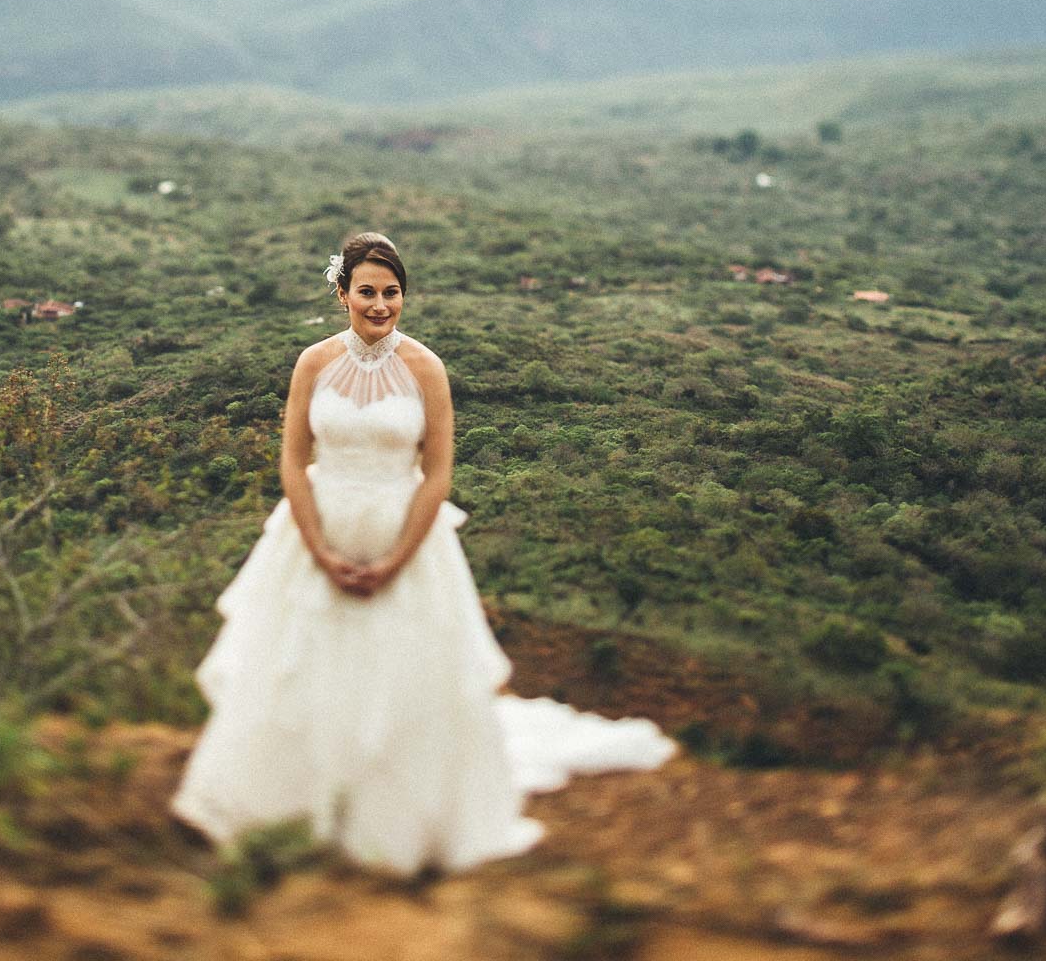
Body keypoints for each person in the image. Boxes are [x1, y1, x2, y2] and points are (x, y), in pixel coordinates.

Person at [170, 232, 675, 875]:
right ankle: (287, 812)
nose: (380, 306)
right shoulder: (313, 363)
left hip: (404, 533)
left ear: (403, 295)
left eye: (392, 293)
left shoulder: (426, 368)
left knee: (400, 678)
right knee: (301, 671)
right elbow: (294, 460)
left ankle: (390, 825)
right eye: (367, 293)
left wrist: (396, 560)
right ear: (342, 293)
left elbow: (437, 474)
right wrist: (320, 551)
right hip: (316, 533)